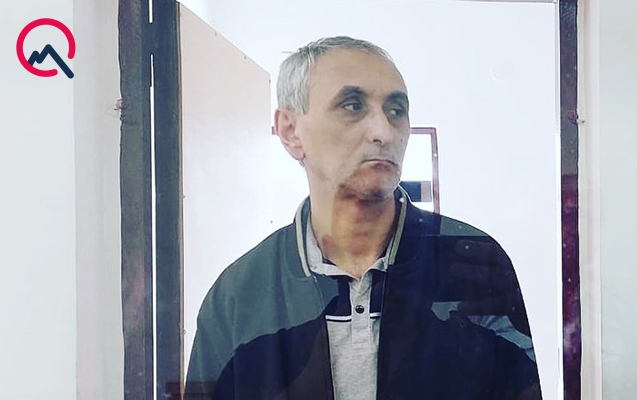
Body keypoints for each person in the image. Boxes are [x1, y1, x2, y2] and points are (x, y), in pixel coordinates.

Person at [184, 36, 542, 400]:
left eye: (396, 110)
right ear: (291, 131)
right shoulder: (241, 293)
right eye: (352, 106)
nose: (383, 132)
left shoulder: (470, 263)